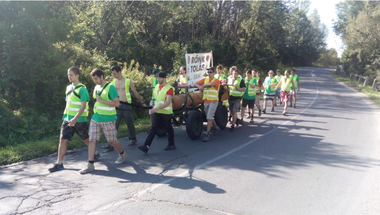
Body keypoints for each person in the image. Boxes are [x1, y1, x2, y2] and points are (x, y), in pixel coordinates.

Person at [48, 66, 99, 172]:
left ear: (77, 75)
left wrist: (75, 118)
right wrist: (67, 118)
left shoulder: (82, 89)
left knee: (85, 139)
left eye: (71, 75)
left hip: (79, 120)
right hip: (67, 119)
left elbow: (83, 106)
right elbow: (69, 104)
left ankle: (95, 152)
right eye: (68, 75)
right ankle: (59, 163)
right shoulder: (68, 88)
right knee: (62, 140)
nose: (69, 77)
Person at [79, 69, 127, 174]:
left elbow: (116, 104)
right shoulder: (96, 87)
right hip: (96, 118)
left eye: (96, 78)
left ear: (102, 76)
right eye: (93, 79)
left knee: (111, 140)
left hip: (108, 119)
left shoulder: (111, 87)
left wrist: (102, 101)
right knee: (92, 140)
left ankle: (122, 153)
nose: (95, 81)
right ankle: (90, 164)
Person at [102, 66, 147, 152]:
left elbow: (135, 92)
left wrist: (142, 102)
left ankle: (132, 139)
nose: (114, 75)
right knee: (115, 125)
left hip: (126, 105)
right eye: (113, 74)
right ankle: (110, 144)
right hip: (118, 106)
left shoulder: (127, 81)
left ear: (119, 72)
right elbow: (110, 94)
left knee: (129, 123)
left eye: (115, 73)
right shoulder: (113, 82)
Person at [138, 72, 176, 153]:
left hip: (166, 112)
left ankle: (171, 144)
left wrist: (157, 107)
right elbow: (155, 97)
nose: (158, 79)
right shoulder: (157, 86)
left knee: (169, 128)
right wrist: (152, 103)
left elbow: (168, 102)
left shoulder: (169, 89)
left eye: (160, 78)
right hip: (157, 111)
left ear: (164, 78)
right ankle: (146, 146)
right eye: (157, 78)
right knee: (153, 128)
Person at [194, 67, 221, 142]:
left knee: (209, 117)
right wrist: (199, 86)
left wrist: (203, 86)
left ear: (213, 73)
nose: (209, 74)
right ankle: (216, 127)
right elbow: (195, 83)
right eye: (208, 72)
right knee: (209, 116)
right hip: (206, 101)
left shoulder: (216, 80)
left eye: (210, 72)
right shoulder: (205, 79)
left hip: (213, 101)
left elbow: (211, 84)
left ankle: (207, 134)